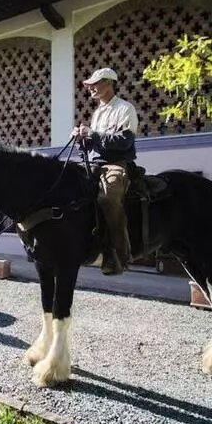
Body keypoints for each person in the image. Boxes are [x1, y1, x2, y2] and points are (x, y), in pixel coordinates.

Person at [71, 67, 139, 276]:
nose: (90, 87)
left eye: (95, 83)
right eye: (90, 84)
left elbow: (124, 142)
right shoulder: (98, 112)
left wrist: (92, 134)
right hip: (93, 164)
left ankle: (120, 252)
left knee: (108, 196)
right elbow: (95, 144)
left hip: (115, 164)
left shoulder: (125, 108)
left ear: (109, 83)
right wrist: (81, 139)